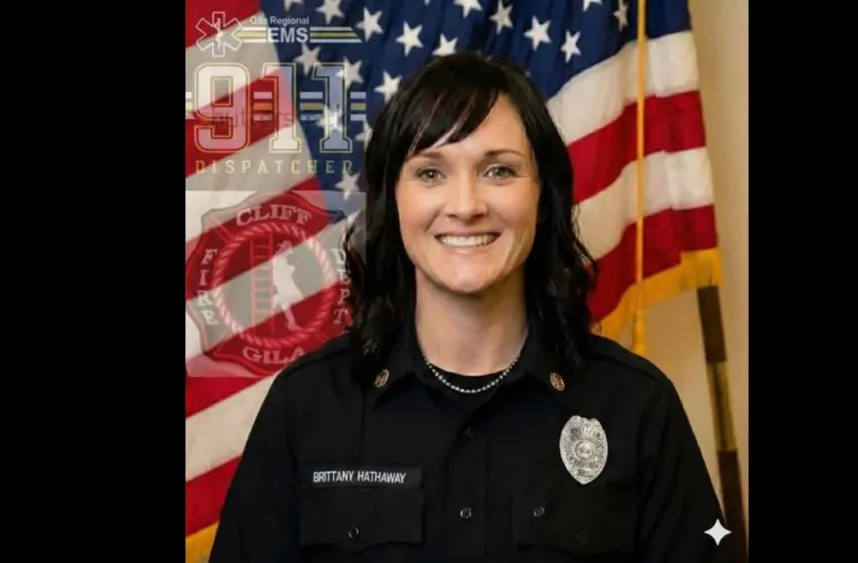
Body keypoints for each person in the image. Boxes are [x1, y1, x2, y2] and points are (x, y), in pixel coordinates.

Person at [210, 53, 733, 563]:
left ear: (543, 197)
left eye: (499, 171)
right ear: (393, 200)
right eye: (430, 173)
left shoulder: (638, 408)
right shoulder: (306, 408)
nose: (465, 206)